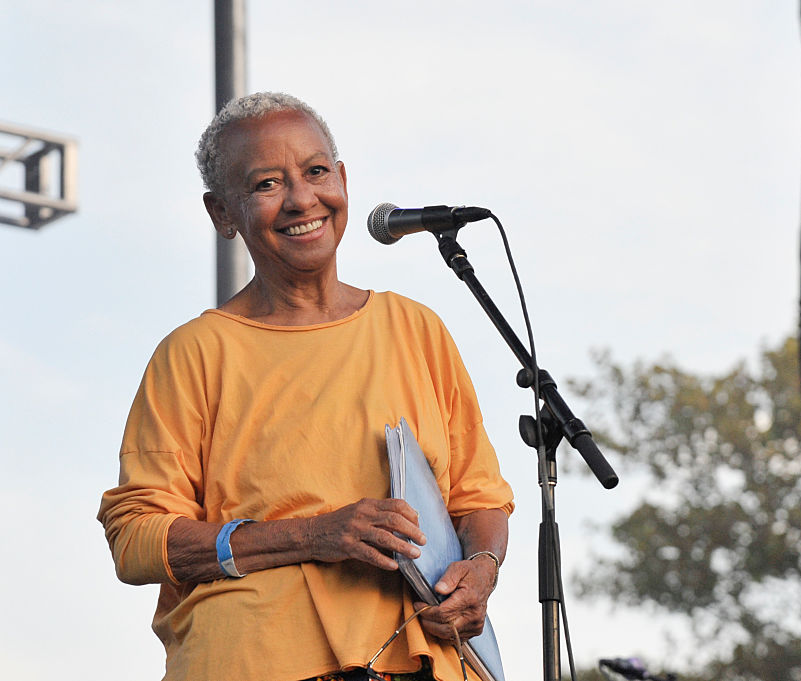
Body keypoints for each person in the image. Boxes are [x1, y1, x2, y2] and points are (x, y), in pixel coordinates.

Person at [97, 92, 514, 681]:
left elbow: (480, 498)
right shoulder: (194, 352)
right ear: (222, 214)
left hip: (425, 659)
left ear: (342, 180)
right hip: (256, 660)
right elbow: (137, 538)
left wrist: (481, 569)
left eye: (316, 172)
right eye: (267, 183)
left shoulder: (414, 327)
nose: (301, 199)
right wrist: (316, 534)